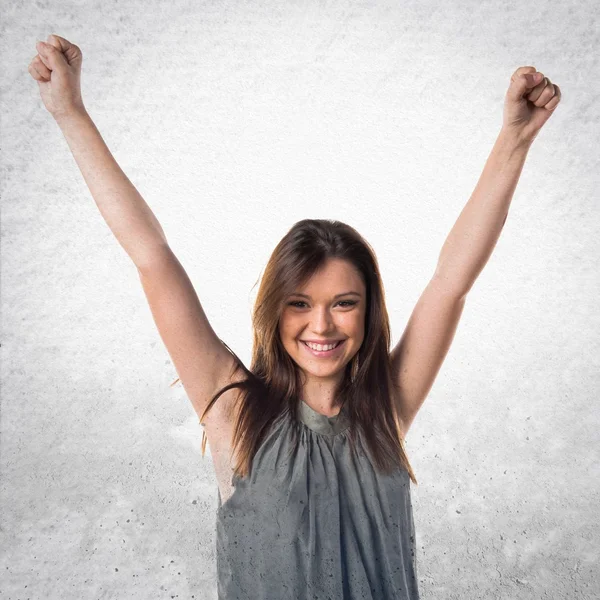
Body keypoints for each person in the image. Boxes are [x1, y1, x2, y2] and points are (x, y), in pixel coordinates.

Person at [29, 34, 561, 600]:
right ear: (275, 311)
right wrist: (71, 113)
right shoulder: (233, 410)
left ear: (367, 312)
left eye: (344, 303)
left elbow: (451, 282)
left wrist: (514, 141)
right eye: (300, 304)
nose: (322, 325)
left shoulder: (384, 412)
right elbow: (151, 256)